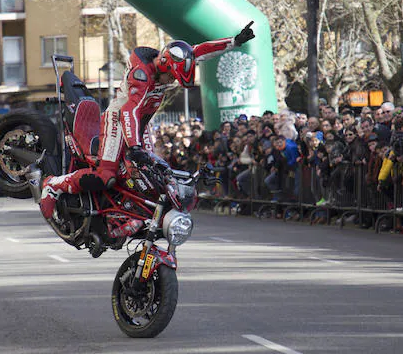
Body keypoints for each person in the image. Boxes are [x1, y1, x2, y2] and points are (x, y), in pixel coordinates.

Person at [39, 22, 256, 219]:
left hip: (141, 121)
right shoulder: (141, 76)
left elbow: (200, 51)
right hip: (119, 118)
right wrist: (134, 147)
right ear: (163, 66)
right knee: (106, 174)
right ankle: (54, 186)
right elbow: (129, 111)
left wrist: (234, 41)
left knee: (152, 174)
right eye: (171, 77)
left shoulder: (174, 60)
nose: (171, 82)